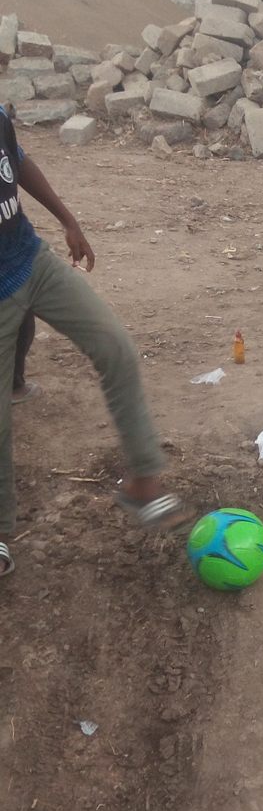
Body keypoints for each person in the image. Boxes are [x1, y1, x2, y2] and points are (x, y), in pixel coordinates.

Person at [0, 103, 186, 579]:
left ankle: (144, 482)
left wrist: (68, 219)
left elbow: (17, 160)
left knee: (115, 347)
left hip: (30, 260)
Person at [2, 107, 36, 403]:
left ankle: (14, 383)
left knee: (22, 313)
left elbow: (17, 159)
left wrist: (68, 221)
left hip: (13, 251)